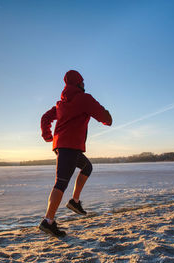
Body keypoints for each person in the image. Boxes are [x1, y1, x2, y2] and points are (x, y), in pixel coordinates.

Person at [39, 70, 112, 237]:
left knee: (87, 167)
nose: (84, 85)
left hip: (64, 146)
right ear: (78, 83)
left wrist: (48, 136)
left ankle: (74, 202)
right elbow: (104, 117)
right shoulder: (84, 99)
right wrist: (108, 118)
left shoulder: (61, 104)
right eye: (83, 82)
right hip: (69, 147)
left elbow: (45, 117)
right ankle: (48, 221)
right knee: (61, 183)